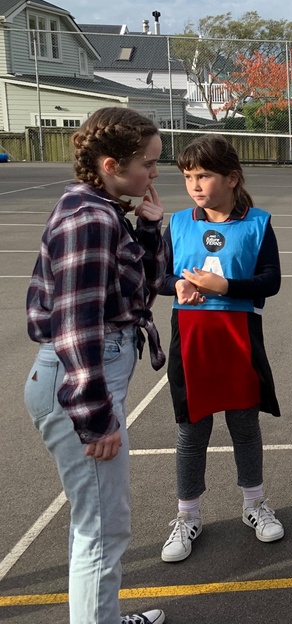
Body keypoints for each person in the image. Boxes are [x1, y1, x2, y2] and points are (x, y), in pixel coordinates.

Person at [25, 107, 167, 624]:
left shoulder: (104, 210)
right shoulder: (88, 220)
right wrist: (95, 415)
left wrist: (149, 229)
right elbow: (75, 323)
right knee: (102, 529)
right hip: (83, 381)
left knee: (98, 523)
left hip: (91, 373)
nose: (154, 173)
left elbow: (144, 287)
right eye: (147, 164)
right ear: (111, 165)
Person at [159, 135, 284, 564]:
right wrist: (176, 284)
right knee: (191, 430)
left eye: (204, 175)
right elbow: (157, 275)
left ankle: (254, 504)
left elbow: (271, 280)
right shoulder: (178, 223)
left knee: (244, 424)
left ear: (231, 178)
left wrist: (227, 286)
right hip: (191, 337)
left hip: (238, 335)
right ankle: (187, 515)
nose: (195, 185)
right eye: (188, 176)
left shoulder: (258, 223)